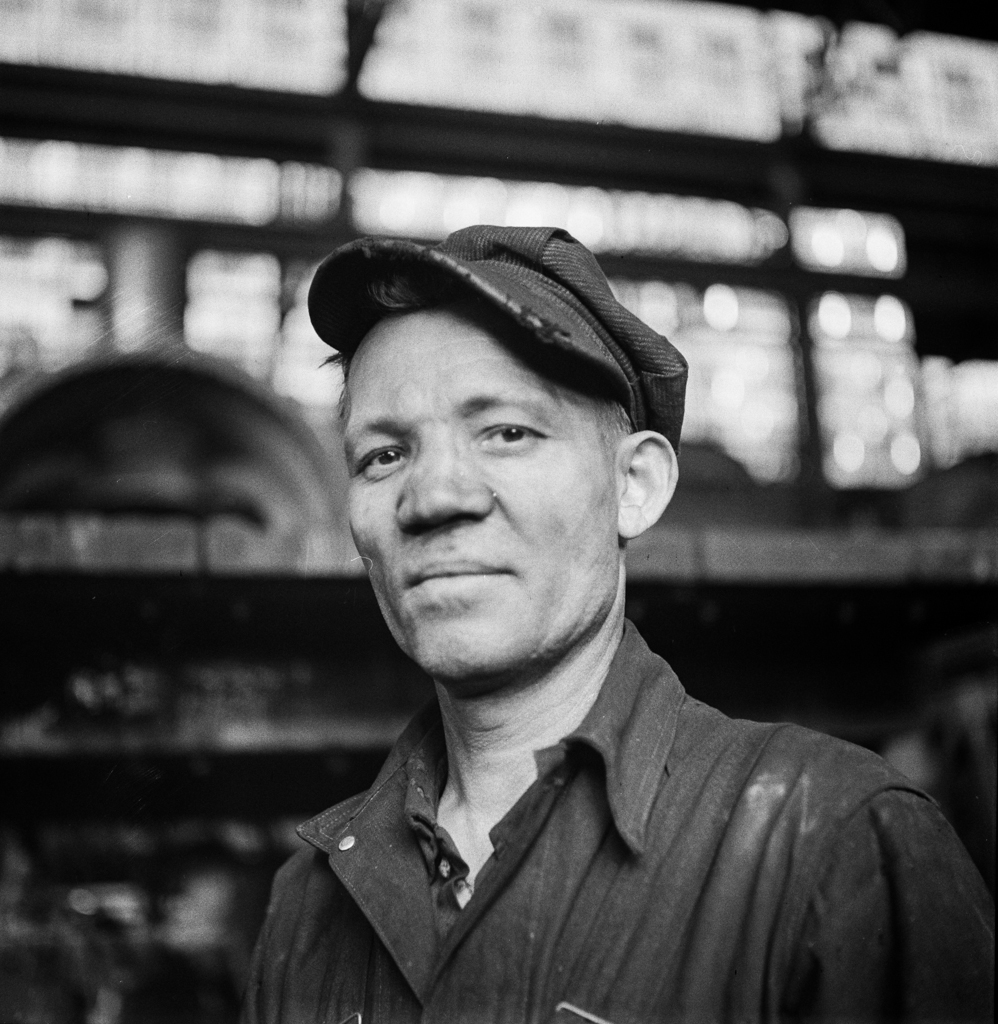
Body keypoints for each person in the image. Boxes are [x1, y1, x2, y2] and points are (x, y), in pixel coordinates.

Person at [241, 225, 994, 1024]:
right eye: (384, 456)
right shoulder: (308, 906)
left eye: (507, 433)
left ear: (635, 483)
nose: (432, 497)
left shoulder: (830, 840)